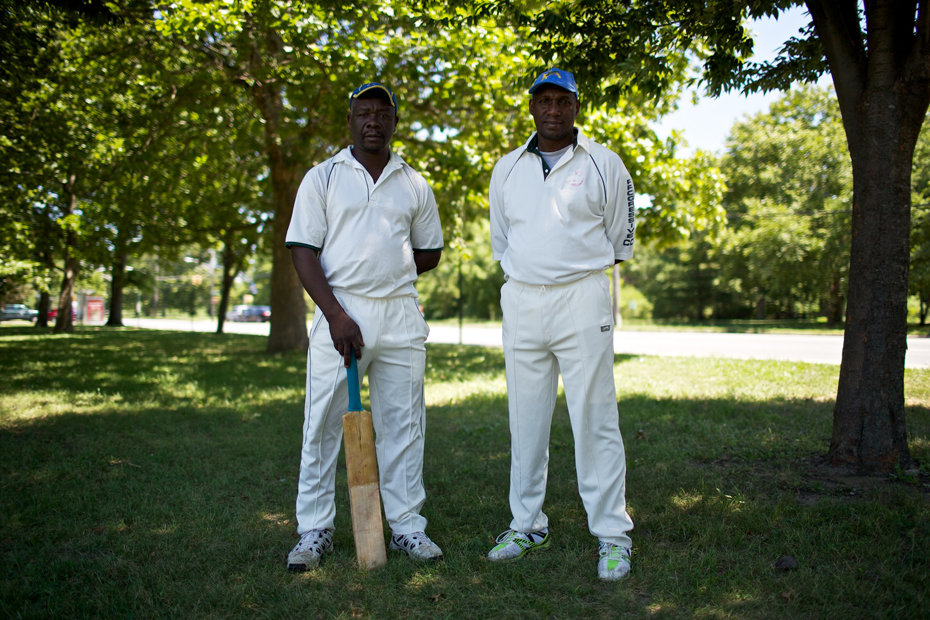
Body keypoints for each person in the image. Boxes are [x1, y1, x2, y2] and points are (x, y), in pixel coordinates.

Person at [285, 82, 444, 570]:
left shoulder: (414, 183)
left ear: (395, 121)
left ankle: (406, 528)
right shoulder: (323, 177)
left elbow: (430, 250)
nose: (373, 120)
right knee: (322, 425)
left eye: (382, 113)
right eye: (363, 113)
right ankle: (314, 529)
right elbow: (302, 250)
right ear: (350, 121)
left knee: (404, 425)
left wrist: (389, 275)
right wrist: (337, 314)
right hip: (340, 311)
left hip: (399, 312)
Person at [487, 68, 636, 581]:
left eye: (563, 101)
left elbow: (619, 237)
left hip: (582, 298)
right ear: (532, 106)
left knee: (595, 417)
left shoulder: (604, 163)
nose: (553, 110)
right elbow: (502, 240)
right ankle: (526, 524)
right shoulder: (505, 168)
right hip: (523, 301)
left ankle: (613, 535)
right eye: (543, 100)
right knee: (526, 419)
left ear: (577, 106)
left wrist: (572, 275)